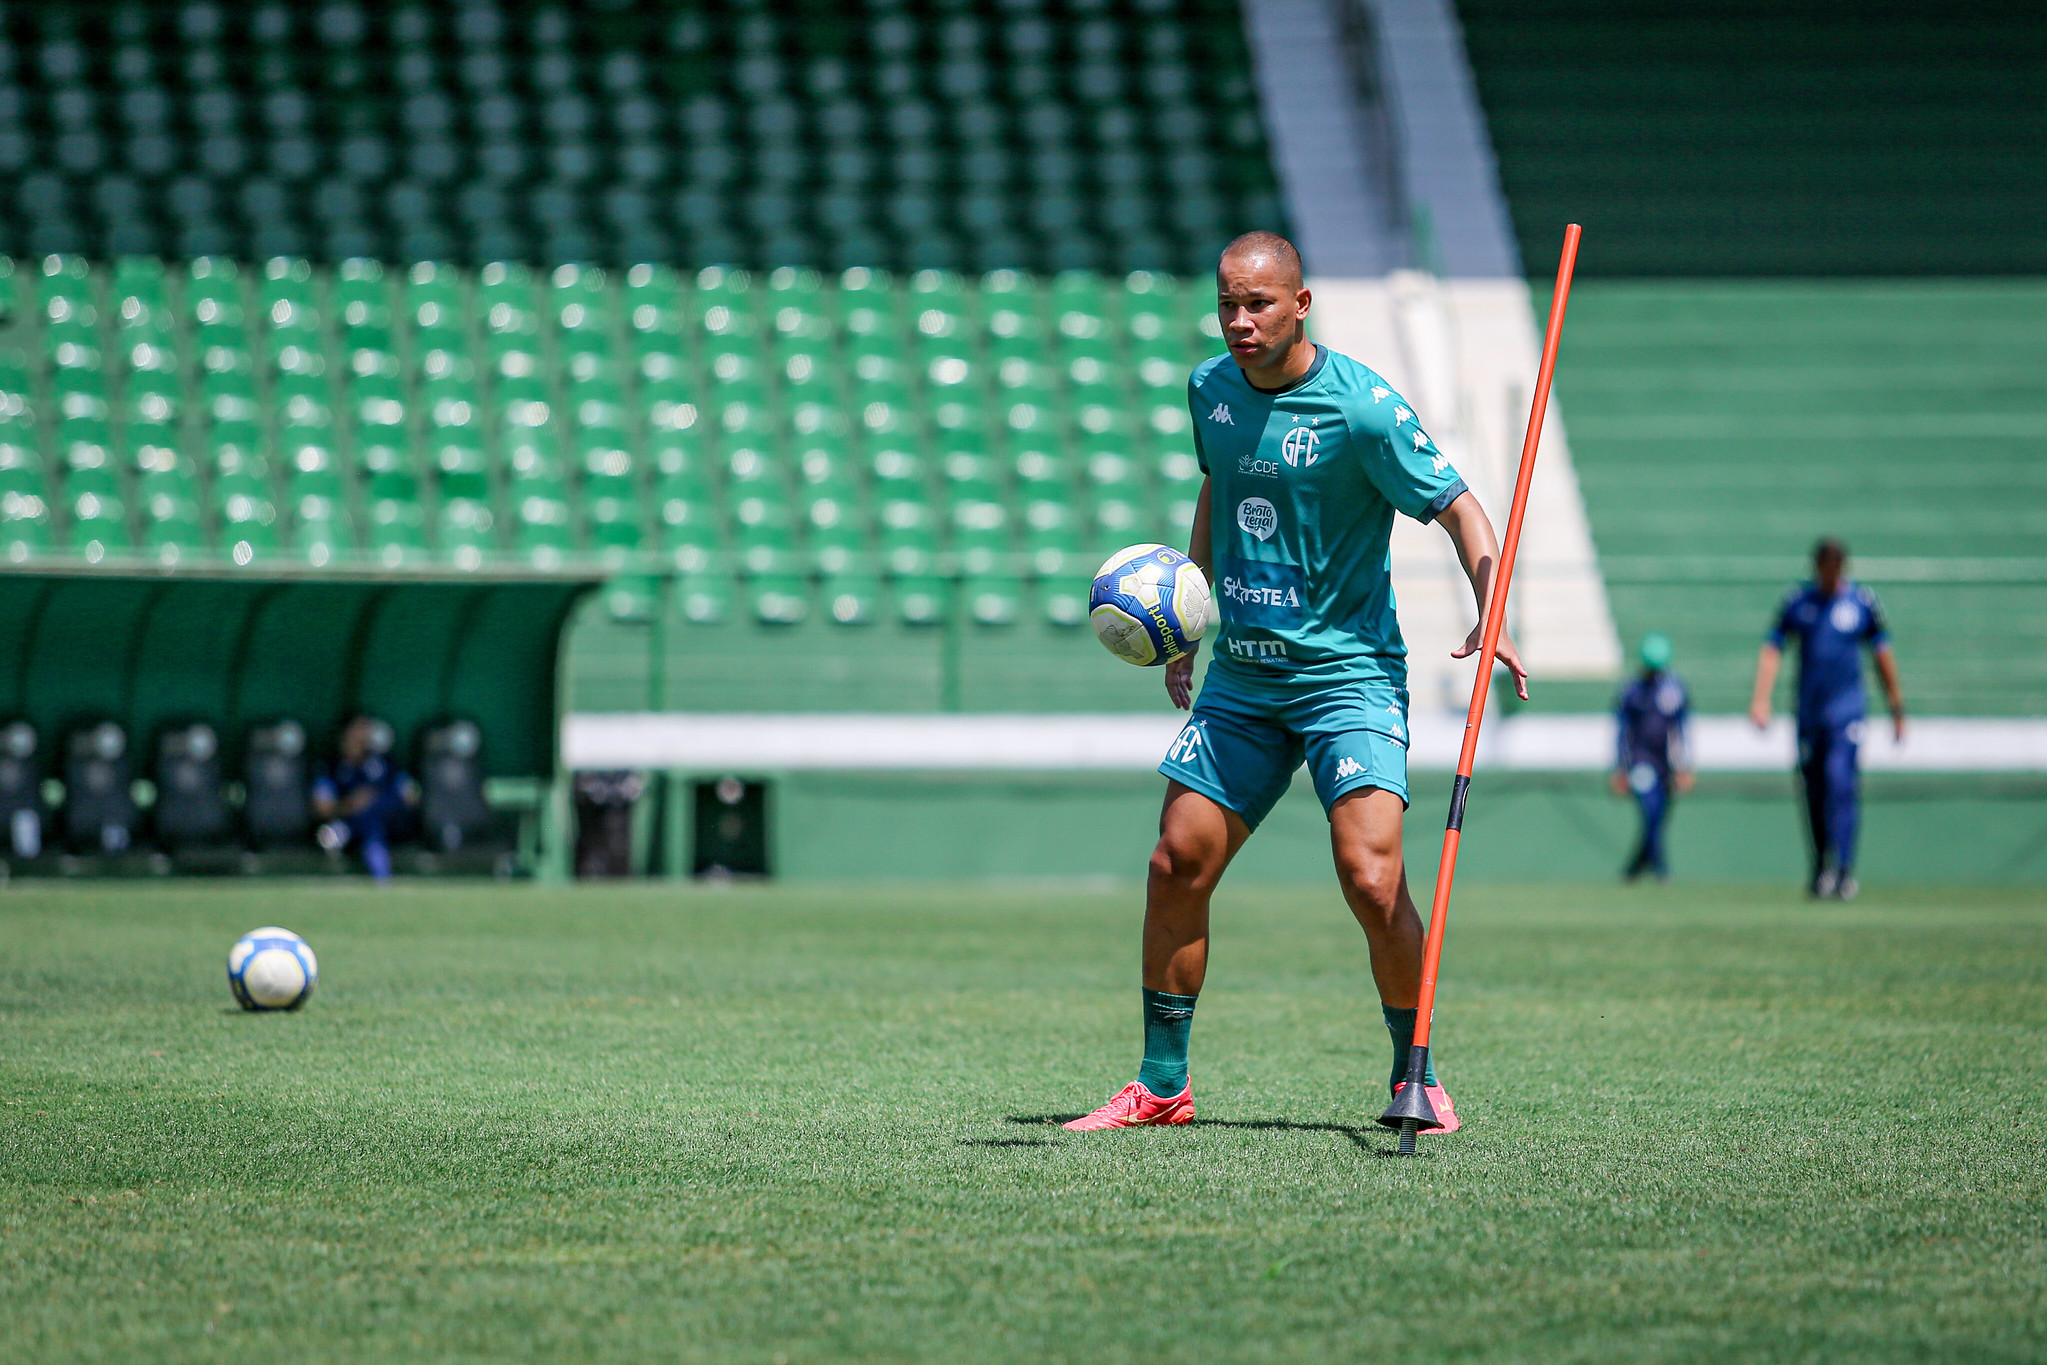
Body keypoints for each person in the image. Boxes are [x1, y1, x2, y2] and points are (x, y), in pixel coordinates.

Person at [1064, 231, 1527, 1134]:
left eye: (1259, 304)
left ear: (1301, 304)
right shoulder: (1210, 389)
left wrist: (1491, 605)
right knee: (1175, 864)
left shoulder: (1362, 409)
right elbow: (1218, 484)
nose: (1239, 321)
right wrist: (1191, 619)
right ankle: (1162, 1086)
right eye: (1228, 303)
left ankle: (1416, 1077)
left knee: (1368, 876)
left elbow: (1461, 507)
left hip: (1346, 676)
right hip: (1242, 678)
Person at [1748, 539, 1906, 900]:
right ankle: (1821, 867)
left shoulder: (1861, 603)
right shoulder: (1799, 602)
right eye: (1825, 566)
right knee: (1814, 792)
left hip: (1847, 712)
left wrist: (1896, 705)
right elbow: (1773, 647)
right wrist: (1761, 699)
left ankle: (1845, 869)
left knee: (1841, 783)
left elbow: (1882, 653)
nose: (1831, 573)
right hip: (1809, 713)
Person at [1611, 632, 1693, 882]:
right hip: (1641, 761)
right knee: (1652, 814)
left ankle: (1633, 870)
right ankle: (1661, 871)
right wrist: (1621, 768)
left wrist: (1683, 767)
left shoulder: (1675, 690)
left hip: (1665, 764)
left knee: (1659, 818)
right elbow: (1622, 733)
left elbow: (1681, 732)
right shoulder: (1632, 691)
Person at [311, 716, 419, 881]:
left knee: (372, 815)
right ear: (345, 735)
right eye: (359, 730)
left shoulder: (384, 761)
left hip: (391, 824)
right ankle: (381, 876)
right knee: (368, 822)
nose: (364, 736)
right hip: (356, 824)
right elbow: (322, 808)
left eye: (366, 730)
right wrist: (350, 804)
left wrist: (377, 798)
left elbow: (412, 796)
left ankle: (342, 831)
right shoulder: (330, 766)